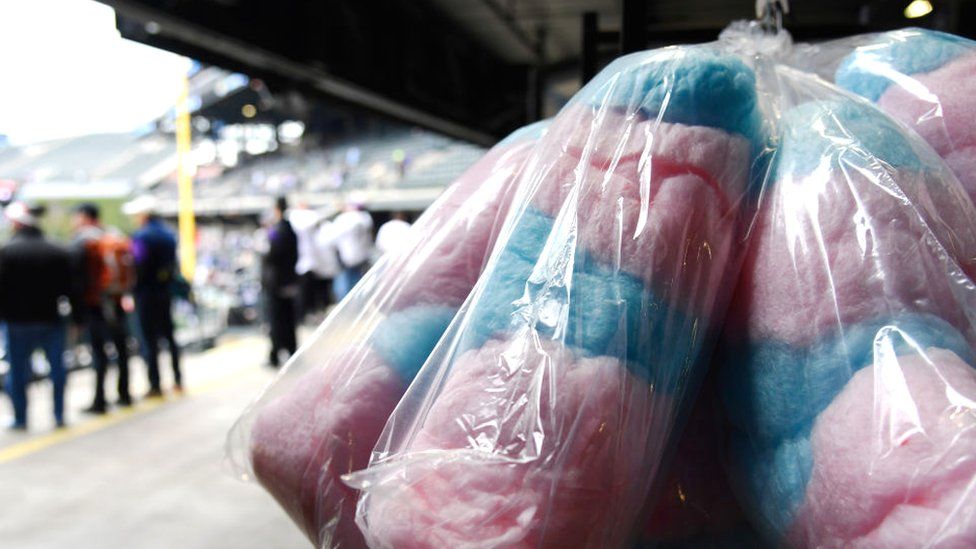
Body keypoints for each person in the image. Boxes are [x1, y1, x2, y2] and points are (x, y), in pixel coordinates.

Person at [0, 202, 73, 429]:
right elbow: (70, 288)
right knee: (57, 368)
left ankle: (21, 417)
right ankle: (59, 415)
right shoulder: (58, 250)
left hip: (17, 321)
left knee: (18, 371)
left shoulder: (7, 252)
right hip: (51, 318)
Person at [71, 203, 134, 413]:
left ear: (84, 216)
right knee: (122, 349)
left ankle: (100, 400)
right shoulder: (114, 235)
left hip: (96, 304)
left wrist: (77, 312)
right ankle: (124, 394)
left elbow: (77, 279)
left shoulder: (84, 241)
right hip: (116, 300)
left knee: (99, 353)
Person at [124, 196, 181, 397]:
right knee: (169, 336)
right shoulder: (168, 235)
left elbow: (137, 265)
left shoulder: (141, 237)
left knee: (150, 340)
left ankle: (155, 384)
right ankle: (178, 379)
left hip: (146, 294)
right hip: (165, 292)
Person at [262, 196, 299, 367]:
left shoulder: (277, 230)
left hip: (276, 283)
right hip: (289, 280)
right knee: (288, 318)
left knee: (276, 319)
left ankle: (275, 354)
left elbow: (270, 253)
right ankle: (291, 350)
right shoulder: (290, 229)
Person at [330, 200, 374, 300]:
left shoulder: (344, 218)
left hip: (348, 256)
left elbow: (332, 240)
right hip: (362, 255)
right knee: (359, 281)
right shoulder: (365, 217)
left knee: (346, 284)